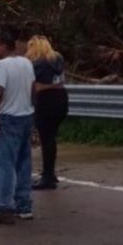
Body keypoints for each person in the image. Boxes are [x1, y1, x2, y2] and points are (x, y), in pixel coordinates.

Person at [0, 32, 36, 225]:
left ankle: (5, 206)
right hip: (26, 115)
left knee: (5, 163)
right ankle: (24, 205)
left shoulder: (2, 65)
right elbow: (33, 89)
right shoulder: (27, 63)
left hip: (9, 117)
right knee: (24, 162)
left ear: (4, 47)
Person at [26, 36, 69, 190]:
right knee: (51, 138)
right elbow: (60, 82)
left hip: (45, 103)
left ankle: (47, 177)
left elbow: (34, 86)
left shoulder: (36, 64)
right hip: (61, 101)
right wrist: (52, 86)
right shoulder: (57, 59)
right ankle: (50, 173)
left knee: (46, 140)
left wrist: (40, 88)